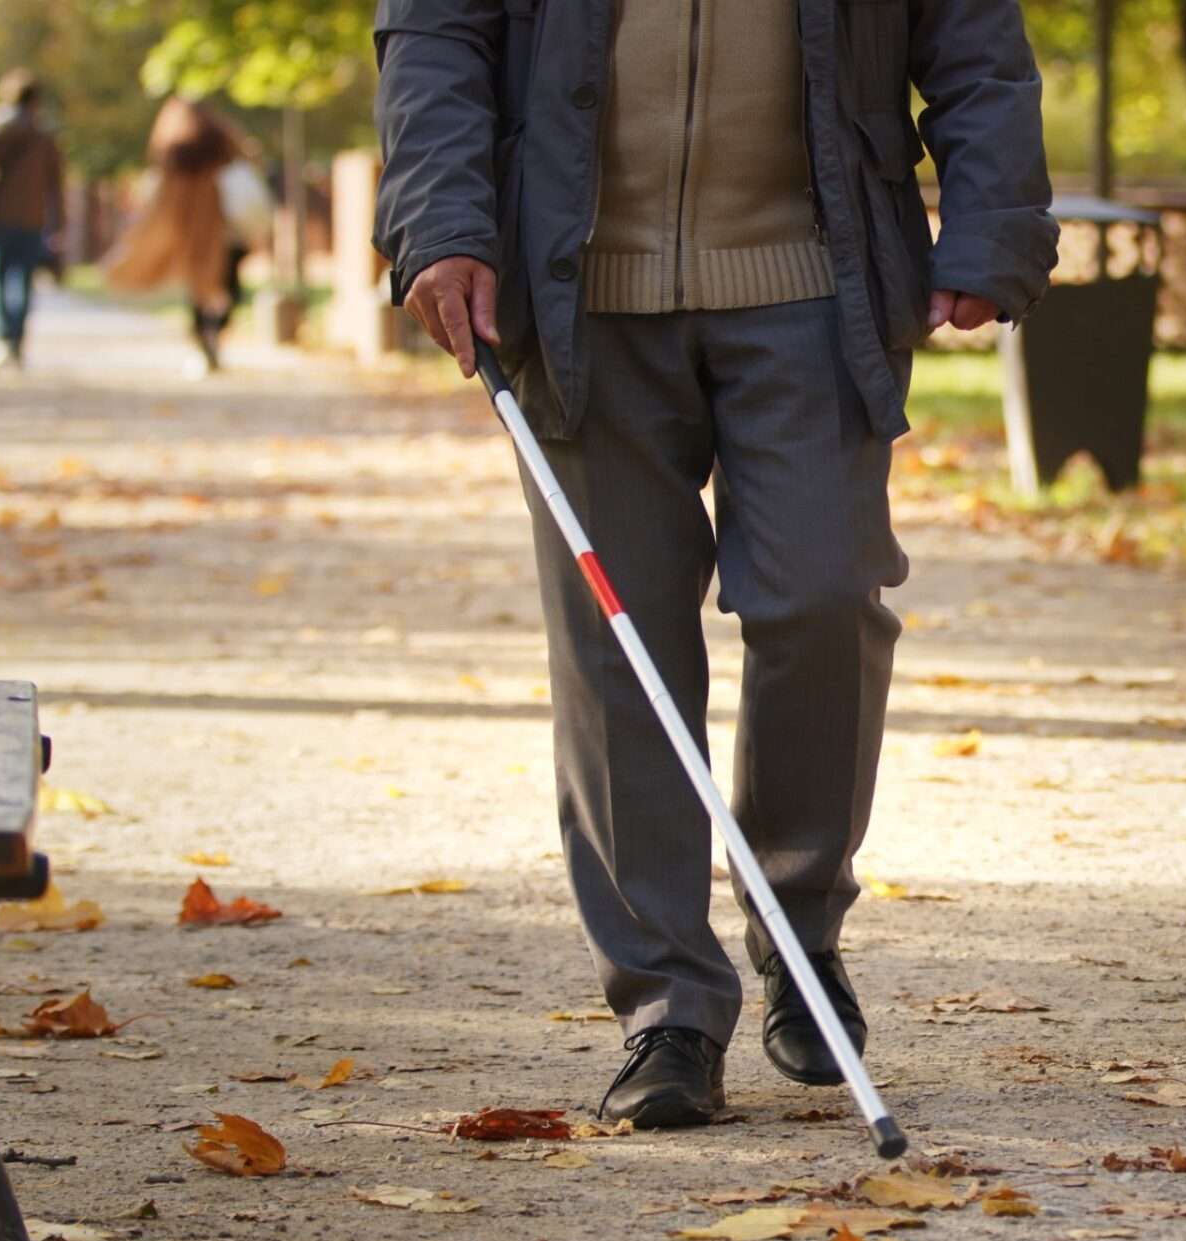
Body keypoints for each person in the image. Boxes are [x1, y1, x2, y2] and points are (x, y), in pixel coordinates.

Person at [375, 0, 1058, 1128]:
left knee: (824, 596)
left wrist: (992, 227)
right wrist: (440, 222)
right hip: (575, 293)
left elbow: (975, 45)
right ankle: (668, 1006)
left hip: (816, 287)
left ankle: (797, 930)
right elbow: (435, 35)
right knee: (619, 648)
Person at [106, 99, 274, 377]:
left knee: (200, 287)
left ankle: (205, 337)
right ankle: (213, 335)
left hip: (200, 229)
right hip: (226, 229)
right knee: (226, 284)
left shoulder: (176, 147)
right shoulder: (219, 140)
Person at [0, 69, 67, 374]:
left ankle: (2, 338)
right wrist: (58, 224)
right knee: (23, 282)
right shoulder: (44, 135)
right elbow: (56, 184)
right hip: (33, 220)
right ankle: (17, 342)